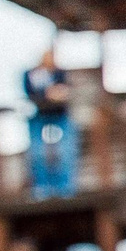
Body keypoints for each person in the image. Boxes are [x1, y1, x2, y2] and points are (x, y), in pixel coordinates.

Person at [22, 45, 76, 198]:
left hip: (60, 115)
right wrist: (47, 94)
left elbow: (66, 91)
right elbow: (30, 93)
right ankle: (42, 187)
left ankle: (65, 188)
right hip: (40, 115)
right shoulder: (31, 74)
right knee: (38, 153)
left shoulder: (60, 73)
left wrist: (59, 93)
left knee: (64, 152)